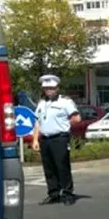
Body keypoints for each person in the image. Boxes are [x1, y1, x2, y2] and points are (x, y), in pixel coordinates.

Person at [31, 75, 81, 206]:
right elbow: (37, 122)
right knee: (49, 168)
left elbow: (76, 118)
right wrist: (35, 140)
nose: (49, 90)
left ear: (57, 88)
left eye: (51, 88)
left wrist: (64, 125)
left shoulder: (65, 102)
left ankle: (68, 194)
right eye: (46, 88)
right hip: (45, 139)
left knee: (62, 166)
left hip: (59, 138)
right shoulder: (42, 103)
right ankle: (53, 193)